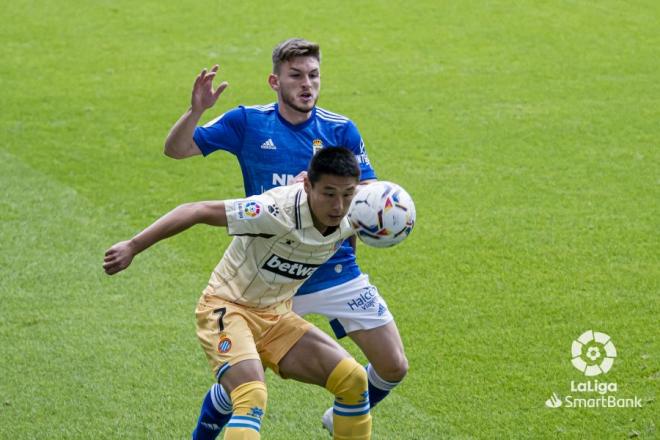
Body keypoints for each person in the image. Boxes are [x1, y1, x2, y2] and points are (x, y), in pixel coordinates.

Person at [164, 38, 407, 437]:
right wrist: (195, 113)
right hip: (272, 274)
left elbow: (367, 198)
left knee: (393, 365)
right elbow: (176, 150)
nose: (306, 84)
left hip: (333, 268)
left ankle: (342, 414)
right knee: (247, 382)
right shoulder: (248, 122)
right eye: (296, 76)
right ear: (274, 81)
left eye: (313, 75)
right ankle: (217, 414)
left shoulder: (340, 129)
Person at [104, 148, 372, 440]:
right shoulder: (273, 211)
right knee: (251, 396)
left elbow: (374, 210)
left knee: (354, 381)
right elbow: (196, 210)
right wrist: (132, 246)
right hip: (226, 307)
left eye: (347, 194)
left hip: (276, 315)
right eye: (329, 193)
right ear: (307, 185)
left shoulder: (356, 213)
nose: (338, 205)